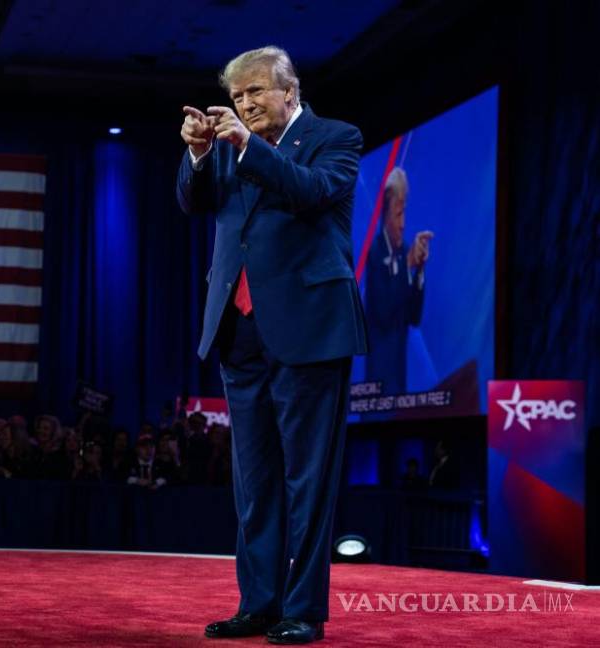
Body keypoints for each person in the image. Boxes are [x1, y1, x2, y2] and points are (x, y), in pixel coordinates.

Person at [178, 45, 367, 644]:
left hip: (310, 329)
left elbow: (311, 191)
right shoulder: (229, 146)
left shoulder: (336, 137)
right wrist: (199, 153)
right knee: (254, 480)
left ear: (290, 90)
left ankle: (303, 610)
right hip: (238, 331)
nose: (246, 104)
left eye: (256, 91)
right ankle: (258, 603)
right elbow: (194, 202)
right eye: (237, 96)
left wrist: (245, 146)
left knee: (307, 479)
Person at [363, 167, 433, 394]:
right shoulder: (375, 253)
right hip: (376, 386)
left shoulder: (404, 252)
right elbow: (384, 313)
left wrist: (419, 270)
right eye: (398, 214)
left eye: (404, 214)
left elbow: (414, 317)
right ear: (385, 215)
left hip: (398, 382)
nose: (403, 224)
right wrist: (407, 265)